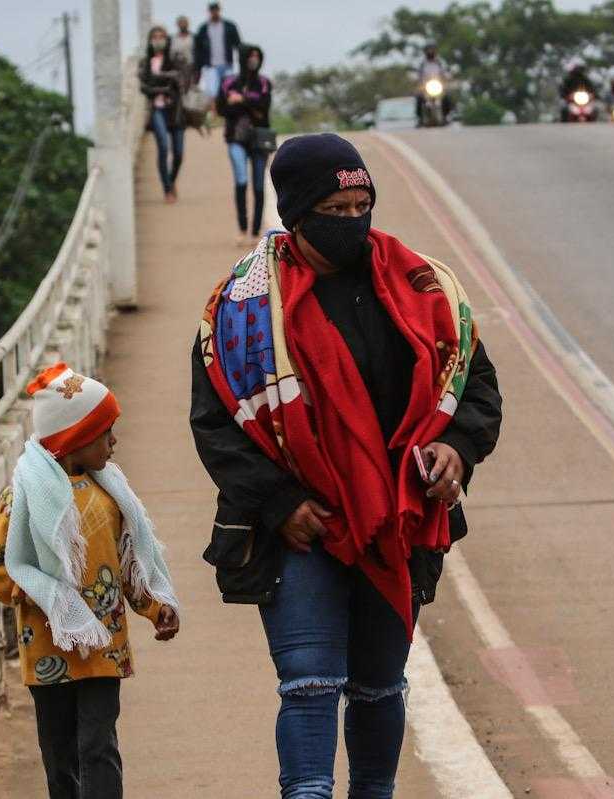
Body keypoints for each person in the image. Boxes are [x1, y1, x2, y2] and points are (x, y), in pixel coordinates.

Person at [190, 134, 502, 798]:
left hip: (398, 522)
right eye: (335, 210)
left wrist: (459, 446)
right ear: (297, 214)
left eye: (362, 206)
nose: (352, 221)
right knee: (308, 683)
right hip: (300, 527)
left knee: (380, 687)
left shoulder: (424, 288)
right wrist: (279, 503)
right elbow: (216, 424)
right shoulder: (242, 308)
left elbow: (474, 385)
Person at [0, 362, 180, 799]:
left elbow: (130, 561)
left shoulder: (111, 493)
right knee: (59, 755)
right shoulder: (23, 497)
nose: (114, 442)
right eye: (105, 432)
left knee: (99, 745)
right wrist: (49, 597)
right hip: (47, 648)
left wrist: (155, 606)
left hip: (105, 646)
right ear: (76, 437)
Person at [217, 44, 271, 246]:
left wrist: (240, 100)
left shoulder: (264, 83)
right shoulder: (228, 82)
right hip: (235, 138)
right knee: (241, 181)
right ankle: (242, 228)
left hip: (259, 139)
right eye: (250, 56)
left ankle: (256, 231)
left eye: (257, 56)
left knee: (258, 186)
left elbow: (264, 108)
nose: (253, 60)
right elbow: (222, 109)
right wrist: (248, 104)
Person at [139, 26, 185, 203]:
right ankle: (167, 189)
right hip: (157, 109)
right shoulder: (146, 62)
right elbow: (144, 86)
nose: (158, 40)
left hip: (175, 110)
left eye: (161, 37)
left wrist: (160, 82)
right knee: (163, 147)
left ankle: (171, 180)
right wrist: (163, 86)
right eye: (155, 37)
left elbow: (181, 80)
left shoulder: (174, 59)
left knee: (178, 153)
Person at [194, 2, 241, 103]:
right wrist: (198, 69)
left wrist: (242, 60)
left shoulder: (229, 26)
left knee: (228, 90)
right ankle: (214, 112)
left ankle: (226, 111)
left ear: (219, 10)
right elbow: (198, 50)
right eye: (212, 10)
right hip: (210, 66)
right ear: (209, 11)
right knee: (212, 92)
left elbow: (238, 44)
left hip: (227, 65)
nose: (214, 12)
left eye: (216, 9)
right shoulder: (203, 29)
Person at [415, 43, 453, 125]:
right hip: (425, 88)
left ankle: (446, 116)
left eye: (432, 50)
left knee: (447, 98)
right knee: (419, 98)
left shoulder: (440, 63)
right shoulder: (422, 64)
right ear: (425, 52)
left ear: (435, 51)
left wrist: (446, 79)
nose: (430, 52)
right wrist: (419, 84)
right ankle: (420, 119)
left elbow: (445, 73)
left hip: (438, 86)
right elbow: (418, 76)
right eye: (428, 50)